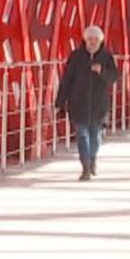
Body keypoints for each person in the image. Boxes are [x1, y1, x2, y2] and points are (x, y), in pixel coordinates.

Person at [55, 24, 121, 179]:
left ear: (100, 41)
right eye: (89, 39)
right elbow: (67, 79)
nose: (92, 42)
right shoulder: (76, 56)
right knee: (82, 135)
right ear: (84, 40)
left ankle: (92, 158)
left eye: (95, 39)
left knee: (95, 136)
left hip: (98, 104)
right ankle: (85, 166)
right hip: (78, 103)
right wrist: (60, 102)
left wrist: (102, 71)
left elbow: (114, 77)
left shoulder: (106, 56)